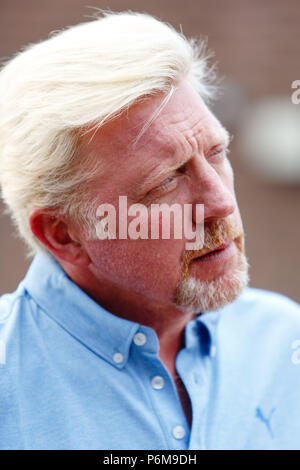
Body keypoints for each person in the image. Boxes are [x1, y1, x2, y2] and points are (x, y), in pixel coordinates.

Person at [0, 11, 299, 451]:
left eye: (216, 153)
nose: (220, 204)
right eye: (166, 181)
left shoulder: (284, 341)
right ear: (63, 234)